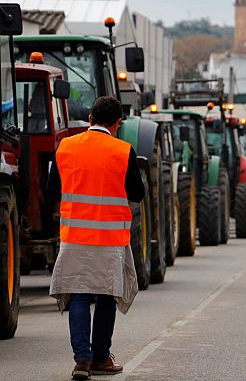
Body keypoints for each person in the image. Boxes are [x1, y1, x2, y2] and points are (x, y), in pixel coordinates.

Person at [48, 96, 145, 380]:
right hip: (109, 238)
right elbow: (137, 194)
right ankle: (101, 357)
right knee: (105, 297)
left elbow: (53, 189)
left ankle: (82, 361)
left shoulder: (65, 147)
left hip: (74, 236)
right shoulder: (122, 150)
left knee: (78, 295)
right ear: (117, 124)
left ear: (90, 118)